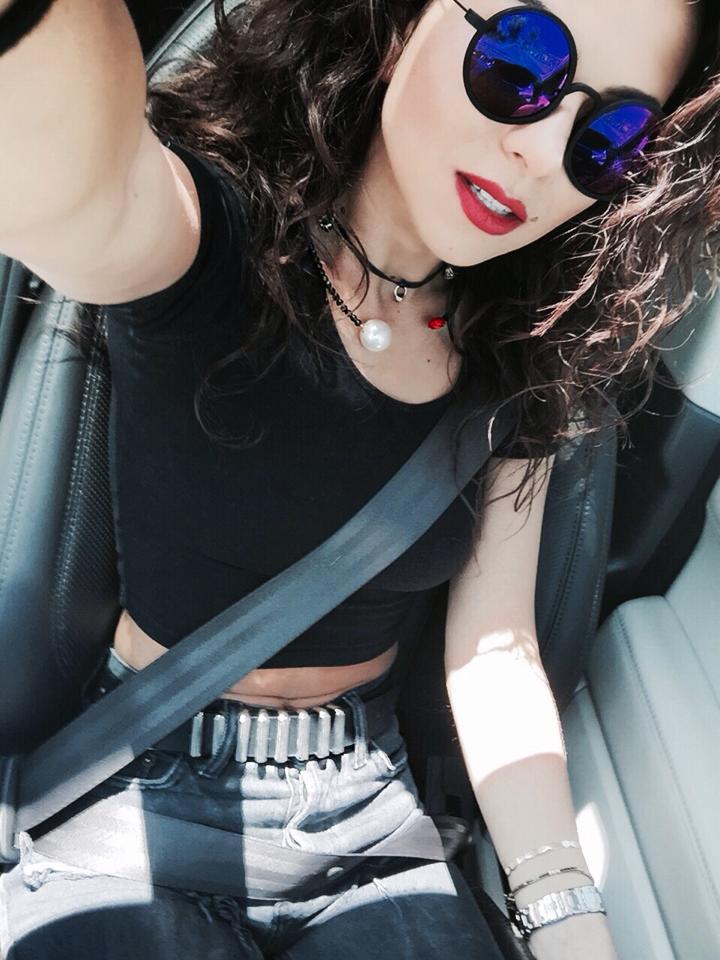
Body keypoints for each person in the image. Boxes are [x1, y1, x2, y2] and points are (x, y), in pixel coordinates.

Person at [0, 0, 718, 958]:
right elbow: (65, 173)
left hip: (371, 811)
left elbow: (495, 651)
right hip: (139, 781)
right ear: (401, 20)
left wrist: (563, 906)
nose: (546, 152)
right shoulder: (203, 235)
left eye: (610, 137)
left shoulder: (518, 361)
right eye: (522, 58)